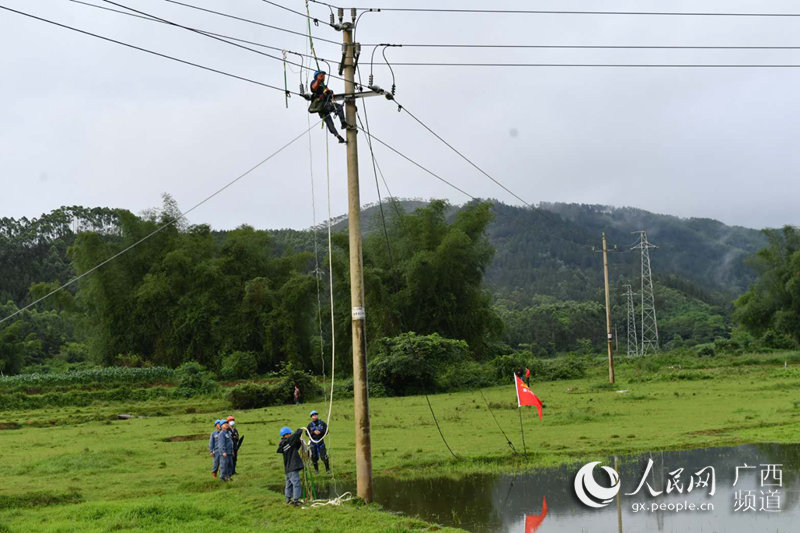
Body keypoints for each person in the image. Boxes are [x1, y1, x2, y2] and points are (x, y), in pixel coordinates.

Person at [308, 70, 347, 144]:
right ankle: (343, 123)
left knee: (329, 122)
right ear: (317, 76)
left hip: (324, 107)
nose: (323, 77)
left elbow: (328, 94)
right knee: (338, 107)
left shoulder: (323, 86)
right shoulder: (314, 82)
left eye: (323, 75)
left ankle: (338, 136)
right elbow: (313, 88)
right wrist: (318, 80)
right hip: (322, 105)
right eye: (321, 75)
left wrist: (329, 92)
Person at [277, 426, 304, 506]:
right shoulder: (288, 440)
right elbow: (297, 433)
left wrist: (299, 440)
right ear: (286, 434)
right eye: (290, 433)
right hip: (292, 467)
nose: (291, 434)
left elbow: (295, 447)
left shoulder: (283, 443)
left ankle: (288, 500)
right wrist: (300, 429)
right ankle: (296, 500)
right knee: (296, 483)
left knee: (288, 484)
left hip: (287, 468)